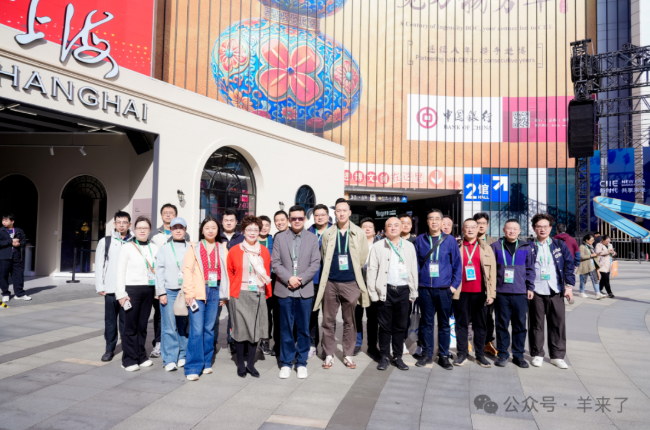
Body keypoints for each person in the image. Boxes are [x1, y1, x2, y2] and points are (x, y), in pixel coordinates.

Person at [314, 198, 370, 370]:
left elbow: (362, 258)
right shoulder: (328, 233)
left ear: (350, 213)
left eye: (344, 210)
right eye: (338, 210)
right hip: (330, 282)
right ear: (335, 213)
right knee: (328, 320)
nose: (341, 213)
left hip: (351, 283)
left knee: (350, 321)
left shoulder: (359, 233)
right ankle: (329, 354)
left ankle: (348, 354)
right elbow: (324, 255)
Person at [272, 205, 321, 379]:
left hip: (304, 290)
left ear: (305, 219)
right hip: (284, 290)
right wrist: (289, 278)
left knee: (304, 329)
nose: (297, 221)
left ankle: (301, 363)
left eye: (300, 218)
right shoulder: (280, 237)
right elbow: (275, 262)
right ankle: (286, 362)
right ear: (289, 220)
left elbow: (315, 263)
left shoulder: (312, 238)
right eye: (294, 218)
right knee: (285, 328)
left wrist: (300, 279)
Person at [367, 217, 418, 371]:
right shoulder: (378, 246)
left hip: (404, 290)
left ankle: (398, 356)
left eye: (396, 225)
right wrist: (373, 293)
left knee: (400, 326)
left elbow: (413, 269)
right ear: (385, 229)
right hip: (385, 290)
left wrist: (413, 292)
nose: (393, 228)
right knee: (384, 326)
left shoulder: (409, 246)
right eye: (390, 225)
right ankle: (384, 356)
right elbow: (372, 270)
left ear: (402, 228)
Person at [181, 214, 229, 381]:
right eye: (207, 227)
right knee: (196, 329)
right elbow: (187, 270)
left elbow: (226, 272)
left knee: (209, 329)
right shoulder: (194, 247)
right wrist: (189, 292)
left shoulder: (221, 248)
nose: (210, 230)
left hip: (215, 290)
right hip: (197, 292)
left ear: (218, 230)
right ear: (202, 230)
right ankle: (193, 367)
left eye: (214, 228)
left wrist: (225, 294)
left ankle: (206, 362)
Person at [414, 209, 462, 369]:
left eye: (437, 219)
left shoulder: (450, 240)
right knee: (426, 323)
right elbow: (415, 264)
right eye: (431, 219)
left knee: (444, 324)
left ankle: (443, 355)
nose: (434, 221)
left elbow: (457, 265)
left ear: (442, 222)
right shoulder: (420, 240)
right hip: (425, 288)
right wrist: (417, 284)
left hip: (444, 289)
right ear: (427, 222)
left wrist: (453, 286)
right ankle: (427, 354)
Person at [227, 216, 272, 378]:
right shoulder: (235, 250)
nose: (252, 232)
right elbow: (230, 272)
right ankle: (240, 363)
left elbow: (267, 270)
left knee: (255, 330)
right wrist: (232, 290)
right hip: (240, 294)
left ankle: (251, 364)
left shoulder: (264, 251)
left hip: (258, 293)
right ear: (243, 231)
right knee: (240, 330)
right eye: (249, 229)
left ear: (259, 232)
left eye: (255, 229)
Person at [529, 213, 574, 370]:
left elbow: (569, 265)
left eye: (545, 226)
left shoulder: (559, 245)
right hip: (535, 291)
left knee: (558, 323)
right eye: (539, 226)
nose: (542, 229)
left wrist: (569, 287)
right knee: (536, 324)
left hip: (555, 290)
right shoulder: (528, 246)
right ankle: (537, 354)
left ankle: (557, 356)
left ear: (550, 228)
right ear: (534, 228)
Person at [115, 216, 159, 372]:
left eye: (145, 228)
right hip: (131, 290)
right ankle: (128, 359)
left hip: (148, 289)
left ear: (150, 230)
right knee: (130, 326)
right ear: (134, 229)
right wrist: (121, 294)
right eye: (139, 228)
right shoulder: (127, 247)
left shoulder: (154, 247)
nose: (142, 230)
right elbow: (120, 271)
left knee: (142, 326)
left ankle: (141, 356)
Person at [490, 219, 535, 368]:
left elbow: (530, 269)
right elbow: (491, 270)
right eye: (509, 228)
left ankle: (518, 355)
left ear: (519, 231)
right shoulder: (495, 246)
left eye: (515, 229)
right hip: (501, 292)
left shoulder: (526, 247)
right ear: (504, 230)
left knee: (520, 325)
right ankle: (503, 354)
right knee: (502, 324)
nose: (512, 231)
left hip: (520, 292)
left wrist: (530, 287)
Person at [453, 218, 497, 368]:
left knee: (480, 325)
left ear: (478, 229)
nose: (470, 229)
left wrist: (491, 294)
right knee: (461, 325)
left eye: (473, 227)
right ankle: (462, 354)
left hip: (480, 293)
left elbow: (492, 273)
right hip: (461, 292)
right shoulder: (457, 247)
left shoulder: (486, 248)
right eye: (467, 227)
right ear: (463, 230)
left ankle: (480, 355)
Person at [149, 204, 189, 359]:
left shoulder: (191, 246)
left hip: (185, 290)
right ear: (171, 230)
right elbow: (159, 270)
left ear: (185, 230)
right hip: (168, 290)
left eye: (181, 228)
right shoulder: (162, 245)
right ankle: (169, 355)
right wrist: (161, 292)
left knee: (182, 323)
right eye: (175, 228)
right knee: (167, 323)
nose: (178, 230)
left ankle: (183, 353)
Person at [95, 210, 133, 362]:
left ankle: (127, 349)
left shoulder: (134, 241)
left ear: (129, 224)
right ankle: (109, 349)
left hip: (127, 289)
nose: (121, 225)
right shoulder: (105, 241)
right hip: (110, 288)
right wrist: (100, 286)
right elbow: (99, 264)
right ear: (114, 224)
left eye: (124, 222)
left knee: (126, 321)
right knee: (110, 322)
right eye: (119, 222)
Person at [307, 204, 331, 358]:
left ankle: (327, 347)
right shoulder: (307, 232)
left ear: (328, 216)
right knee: (312, 314)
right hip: (312, 280)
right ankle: (312, 344)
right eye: (317, 215)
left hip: (329, 280)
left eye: (323, 215)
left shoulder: (335, 232)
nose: (320, 217)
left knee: (329, 316)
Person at [473, 212, 497, 357]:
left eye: (483, 223)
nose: (481, 226)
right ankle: (470, 342)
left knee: (488, 316)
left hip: (487, 286)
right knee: (471, 316)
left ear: (487, 225)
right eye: (478, 223)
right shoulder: (468, 240)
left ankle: (488, 342)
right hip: (472, 285)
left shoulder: (494, 243)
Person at [355, 217, 380, 357]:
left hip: (373, 286)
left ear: (374, 230)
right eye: (364, 226)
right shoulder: (354, 243)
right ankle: (357, 343)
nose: (367, 229)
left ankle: (372, 346)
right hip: (357, 284)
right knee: (356, 316)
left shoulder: (380, 244)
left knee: (373, 317)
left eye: (370, 226)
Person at [221, 208, 245, 354]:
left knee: (234, 314)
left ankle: (233, 341)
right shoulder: (216, 236)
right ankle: (211, 341)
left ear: (236, 222)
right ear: (222, 222)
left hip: (236, 282)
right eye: (226, 220)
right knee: (214, 315)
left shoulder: (242, 239)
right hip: (217, 282)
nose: (229, 223)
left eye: (231, 220)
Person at [268, 210, 290, 357]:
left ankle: (289, 344)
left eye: (282, 219)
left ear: (287, 220)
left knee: (289, 316)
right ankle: (278, 343)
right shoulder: (276, 236)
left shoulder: (294, 234)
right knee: (277, 315)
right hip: (278, 280)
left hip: (292, 279)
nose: (279, 222)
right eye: (277, 220)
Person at [0, 214, 30, 302]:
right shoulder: (0, 231)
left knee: (18, 276)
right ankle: (5, 294)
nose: (4, 222)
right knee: (3, 276)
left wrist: (19, 244)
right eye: (3, 220)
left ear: (12, 221)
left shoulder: (19, 231)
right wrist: (11, 241)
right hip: (4, 257)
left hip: (16, 257)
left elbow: (24, 242)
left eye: (6, 220)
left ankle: (19, 294)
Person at [257, 215, 274, 355]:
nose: (264, 228)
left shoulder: (274, 240)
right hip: (255, 282)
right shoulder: (250, 241)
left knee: (268, 313)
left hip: (271, 281)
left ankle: (265, 341)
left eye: (267, 225)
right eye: (261, 225)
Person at [577, 234, 602, 299]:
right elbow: (581, 256)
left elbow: (593, 255)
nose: (593, 241)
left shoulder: (591, 246)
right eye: (591, 240)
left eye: (593, 240)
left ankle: (598, 293)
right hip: (585, 266)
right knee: (583, 280)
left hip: (592, 266)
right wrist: (591, 255)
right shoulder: (582, 246)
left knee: (595, 279)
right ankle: (581, 292)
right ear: (587, 240)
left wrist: (596, 254)